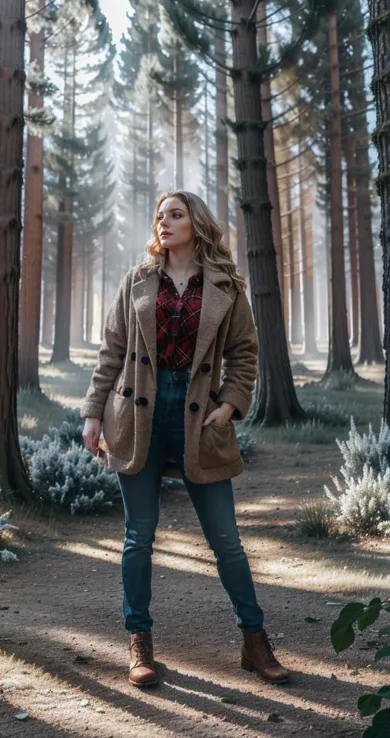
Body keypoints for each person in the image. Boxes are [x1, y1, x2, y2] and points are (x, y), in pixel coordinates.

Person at [81, 190, 289, 688]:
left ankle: (254, 642)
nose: (164, 222)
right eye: (159, 216)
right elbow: (111, 351)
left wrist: (229, 406)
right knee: (138, 538)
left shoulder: (226, 285)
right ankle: (140, 644)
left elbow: (244, 354)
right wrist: (92, 413)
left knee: (228, 541)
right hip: (136, 413)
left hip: (199, 417)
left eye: (175, 214)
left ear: (196, 222)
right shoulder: (137, 281)